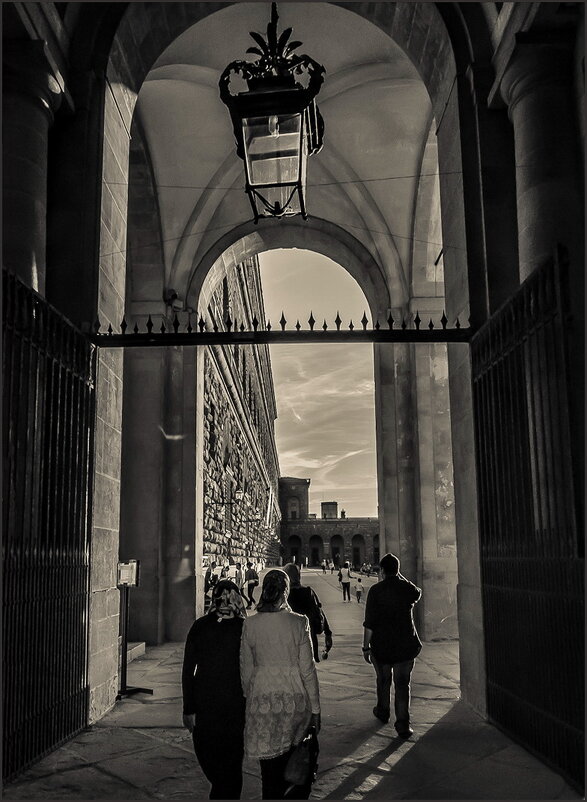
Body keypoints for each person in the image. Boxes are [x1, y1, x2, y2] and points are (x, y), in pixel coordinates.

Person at [240, 569, 321, 800]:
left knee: (269, 773)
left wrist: (251, 696)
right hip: (294, 702)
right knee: (295, 766)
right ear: (286, 591)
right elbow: (308, 670)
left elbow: (245, 669)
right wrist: (315, 709)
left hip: (263, 702)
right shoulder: (298, 622)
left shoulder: (250, 624)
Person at [182, 580, 247, 799]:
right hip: (235, 705)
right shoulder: (244, 628)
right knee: (232, 764)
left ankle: (221, 791)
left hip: (206, 704)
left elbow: (188, 671)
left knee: (210, 758)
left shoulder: (200, 626)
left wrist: (188, 708)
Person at [362, 553, 422, 738]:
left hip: (382, 646)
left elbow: (369, 623)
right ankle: (403, 724)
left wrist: (366, 647)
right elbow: (417, 592)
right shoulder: (406, 589)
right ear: (397, 570)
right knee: (403, 684)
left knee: (383, 680)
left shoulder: (375, 591)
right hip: (405, 645)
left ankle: (383, 711)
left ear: (381, 571)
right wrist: (400, 576)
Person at [283, 562, 333, 661]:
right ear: (299, 576)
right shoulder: (308, 592)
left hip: (289, 640)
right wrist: (328, 633)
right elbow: (319, 612)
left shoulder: (283, 595)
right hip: (308, 637)